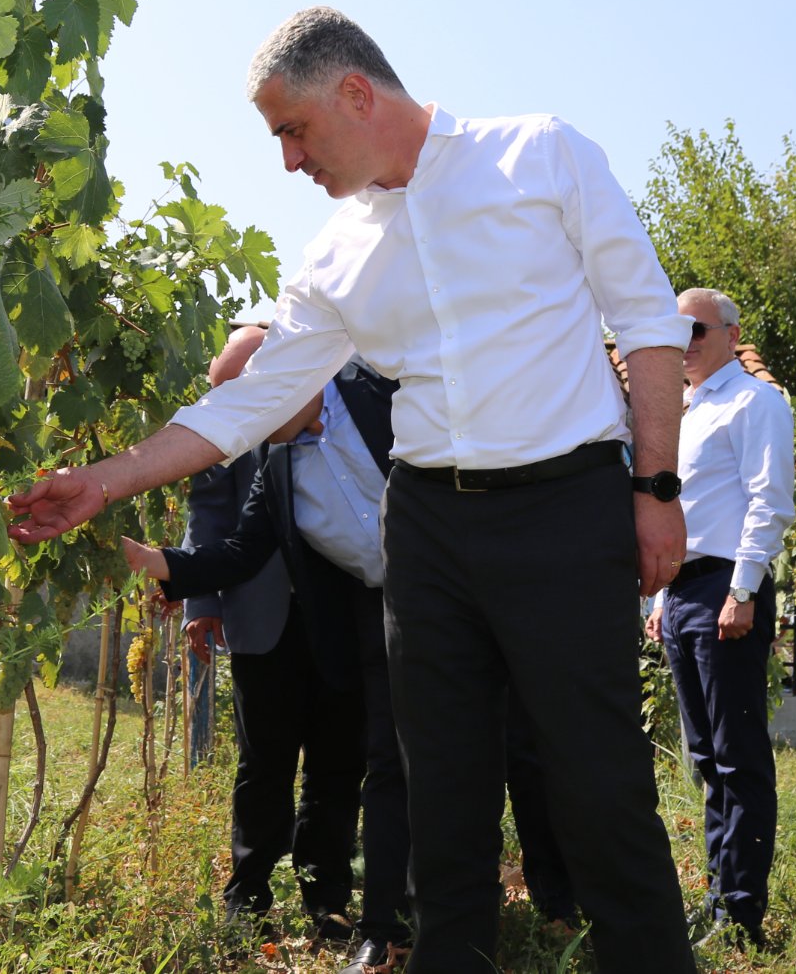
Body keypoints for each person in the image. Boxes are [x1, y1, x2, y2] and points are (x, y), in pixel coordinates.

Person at [9, 6, 697, 974]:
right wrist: (101, 481)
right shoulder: (336, 254)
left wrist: (655, 487)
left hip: (564, 509)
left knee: (598, 782)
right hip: (427, 531)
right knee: (437, 795)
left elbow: (647, 319)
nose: (289, 160)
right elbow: (249, 401)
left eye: (293, 130)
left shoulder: (540, 156)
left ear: (356, 93)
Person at [129, 362, 580, 974]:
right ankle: (383, 930)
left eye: (247, 399)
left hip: (473, 598)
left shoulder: (388, 393)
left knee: (495, 754)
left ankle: (515, 913)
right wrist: (147, 558)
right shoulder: (274, 462)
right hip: (381, 611)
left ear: (287, 374)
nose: (241, 419)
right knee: (389, 765)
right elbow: (240, 550)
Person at [181, 325, 360, 942]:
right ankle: (248, 893)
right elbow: (207, 511)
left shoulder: (343, 408)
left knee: (338, 762)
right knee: (263, 762)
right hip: (259, 614)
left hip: (341, 611)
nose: (233, 406)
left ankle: (328, 897)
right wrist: (201, 600)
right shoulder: (222, 423)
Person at [647, 288, 794, 949]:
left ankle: (741, 912)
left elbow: (769, 500)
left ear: (732, 335)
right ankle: (718, 899)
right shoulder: (685, 409)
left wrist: (743, 588)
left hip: (727, 589)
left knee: (737, 756)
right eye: (676, 330)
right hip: (683, 592)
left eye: (697, 330)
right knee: (707, 757)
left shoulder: (754, 402)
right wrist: (660, 598)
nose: (685, 341)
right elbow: (682, 510)